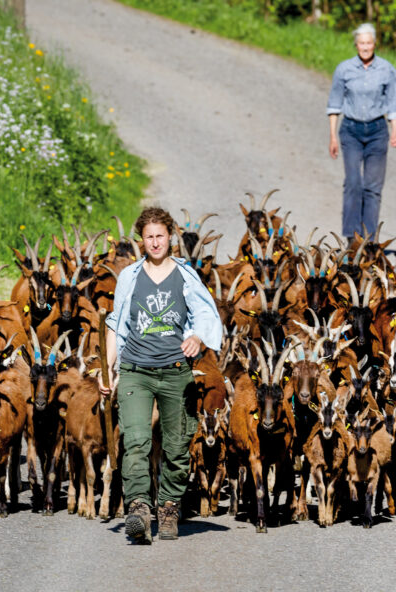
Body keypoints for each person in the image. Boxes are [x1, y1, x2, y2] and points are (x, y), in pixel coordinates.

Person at [98, 207, 222, 543]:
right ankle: (139, 508)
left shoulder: (185, 275)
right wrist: (107, 372)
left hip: (175, 372)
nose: (155, 243)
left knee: (177, 447)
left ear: (170, 238)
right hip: (135, 371)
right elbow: (116, 324)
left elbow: (205, 314)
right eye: (149, 237)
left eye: (160, 236)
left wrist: (197, 337)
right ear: (141, 241)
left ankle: (168, 507)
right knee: (136, 441)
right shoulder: (129, 277)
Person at [326, 23, 396, 243]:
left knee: (373, 187)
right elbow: (334, 104)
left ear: (375, 44)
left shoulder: (387, 70)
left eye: (369, 43)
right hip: (351, 131)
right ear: (356, 45)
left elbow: (393, 102)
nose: (365, 47)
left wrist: (395, 130)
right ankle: (352, 237)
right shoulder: (344, 69)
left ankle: (368, 238)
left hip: (377, 131)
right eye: (361, 43)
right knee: (353, 183)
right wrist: (332, 136)